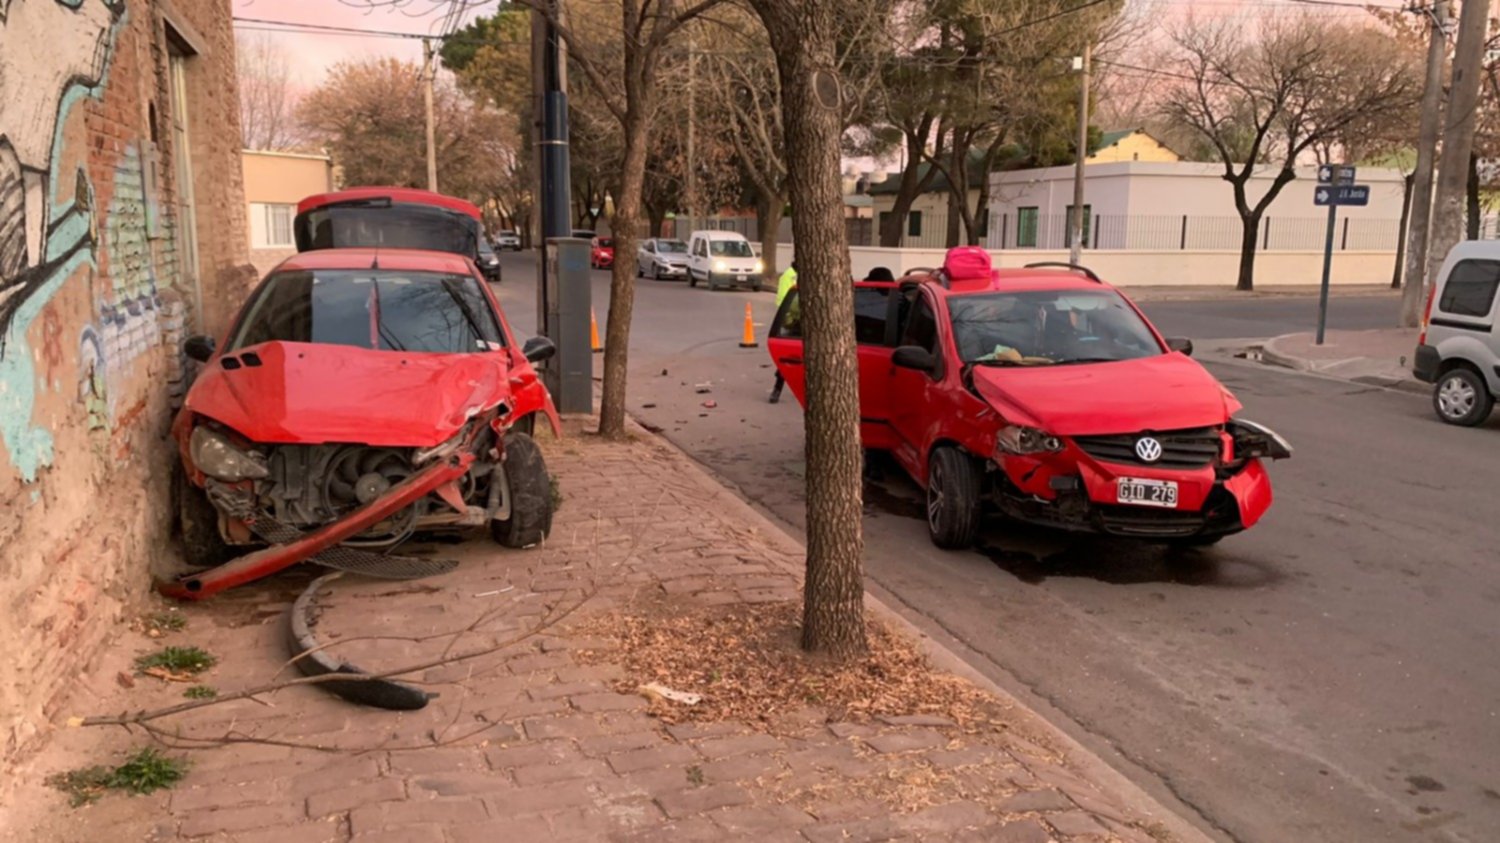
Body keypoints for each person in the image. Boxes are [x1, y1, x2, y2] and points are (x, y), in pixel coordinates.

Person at [769, 262, 798, 403]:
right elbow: (783, 300)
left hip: (809, 321)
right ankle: (777, 388)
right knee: (788, 358)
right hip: (793, 321)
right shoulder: (788, 276)